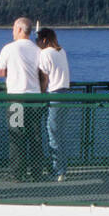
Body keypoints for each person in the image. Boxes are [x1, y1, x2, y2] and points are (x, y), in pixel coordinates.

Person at [0, 17, 46, 180]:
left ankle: (17, 173)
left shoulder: (9, 49)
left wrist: (13, 72)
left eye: (13, 29)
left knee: (16, 135)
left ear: (19, 30)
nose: (12, 32)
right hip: (35, 97)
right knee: (35, 136)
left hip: (16, 97)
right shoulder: (38, 50)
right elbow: (43, 73)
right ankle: (37, 172)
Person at [37, 27, 71, 180]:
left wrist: (41, 93)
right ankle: (62, 167)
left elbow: (44, 78)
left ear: (44, 40)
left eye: (38, 40)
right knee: (61, 133)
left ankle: (58, 170)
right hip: (66, 94)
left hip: (54, 94)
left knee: (53, 133)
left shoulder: (45, 53)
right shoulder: (61, 51)